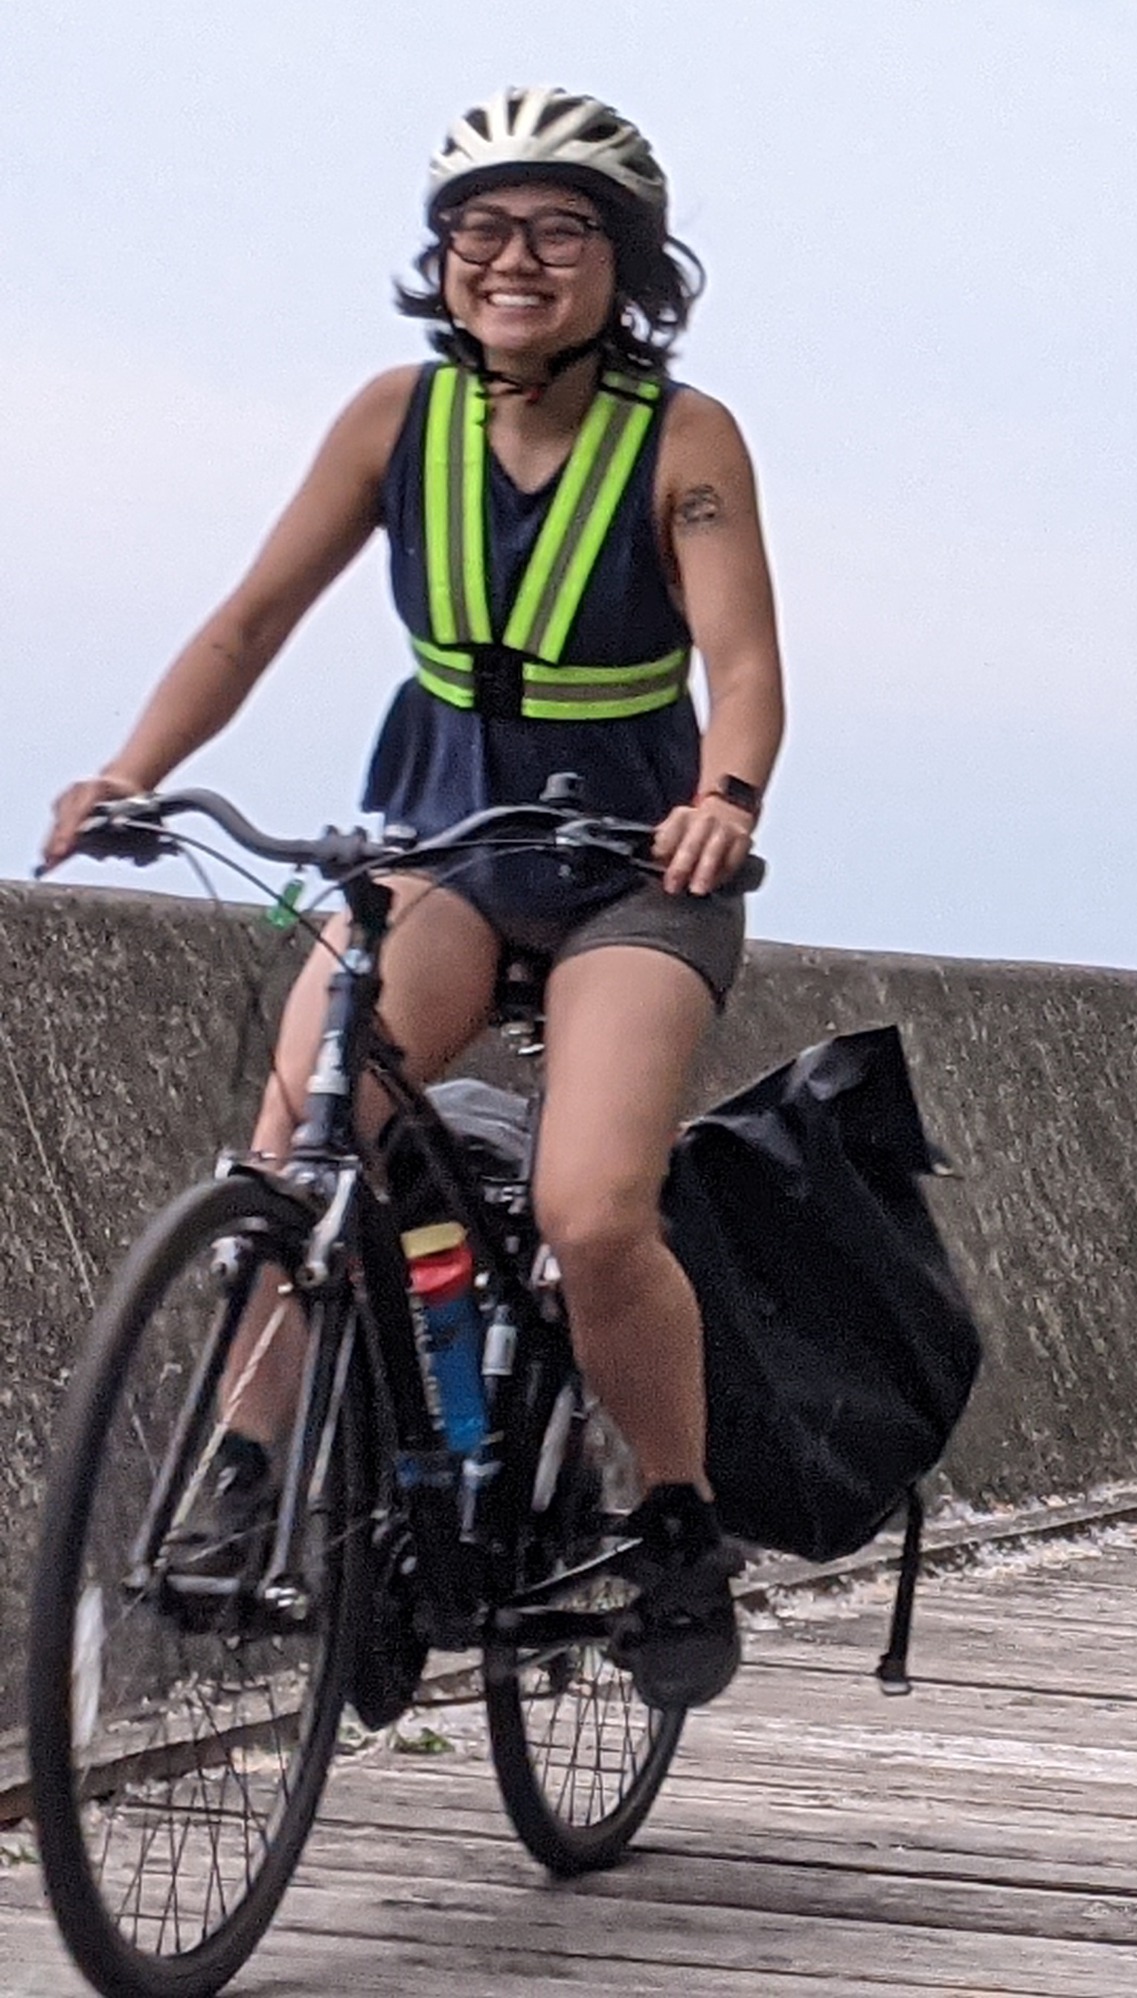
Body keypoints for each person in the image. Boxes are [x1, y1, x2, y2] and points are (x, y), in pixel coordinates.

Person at [38, 87, 784, 1710]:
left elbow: (741, 664)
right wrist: (129, 770)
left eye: (560, 232)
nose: (514, 260)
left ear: (627, 265)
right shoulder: (395, 420)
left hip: (631, 874)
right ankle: (252, 1475)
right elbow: (250, 619)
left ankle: (671, 1520)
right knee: (303, 1132)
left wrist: (725, 801)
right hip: (437, 846)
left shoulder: (684, 439)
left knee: (591, 1209)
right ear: (442, 257)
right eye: (482, 230)